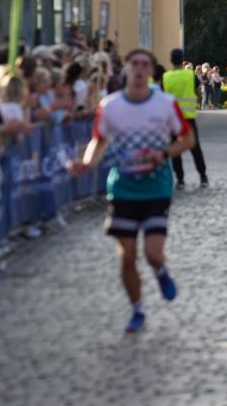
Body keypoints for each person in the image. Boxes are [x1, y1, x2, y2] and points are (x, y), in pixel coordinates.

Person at [67, 48, 194, 334]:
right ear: (125, 69)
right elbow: (98, 141)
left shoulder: (165, 103)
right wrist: (86, 164)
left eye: (144, 64)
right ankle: (137, 309)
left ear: (151, 70)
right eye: (133, 64)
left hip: (157, 186)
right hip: (122, 187)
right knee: (126, 256)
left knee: (152, 253)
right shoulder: (110, 106)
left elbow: (188, 139)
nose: (138, 69)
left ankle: (160, 271)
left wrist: (162, 153)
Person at [162, 48, 209, 190]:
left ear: (170, 60)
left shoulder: (166, 77)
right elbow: (198, 90)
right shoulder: (190, 75)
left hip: (173, 119)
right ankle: (203, 177)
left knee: (175, 150)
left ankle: (180, 179)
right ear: (183, 60)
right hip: (188, 118)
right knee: (195, 148)